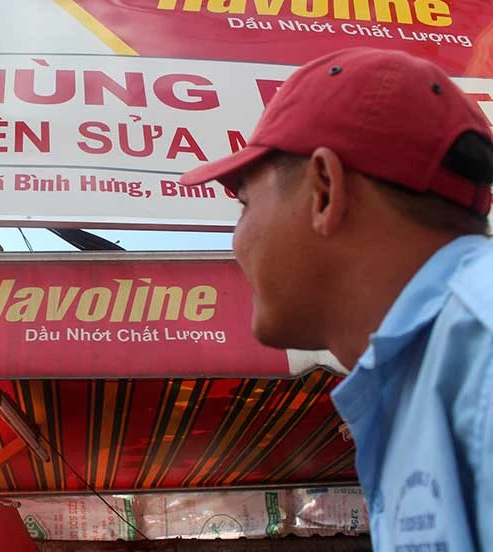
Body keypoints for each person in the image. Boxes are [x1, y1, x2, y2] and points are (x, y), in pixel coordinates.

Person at [181, 47, 493, 551]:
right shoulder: (430, 371)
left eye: (244, 203)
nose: (236, 240)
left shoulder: (479, 347)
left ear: (325, 190)